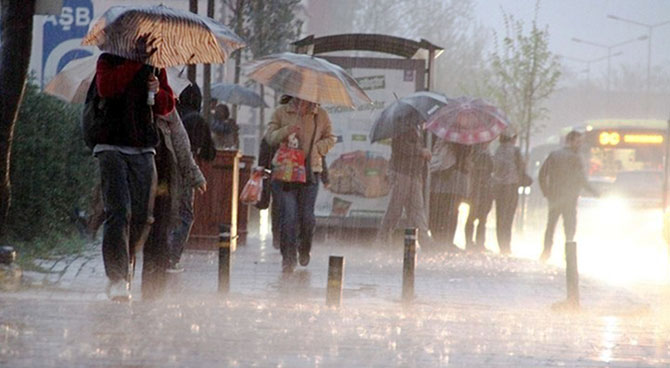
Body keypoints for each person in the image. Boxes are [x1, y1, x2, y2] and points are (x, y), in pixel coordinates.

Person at [93, 45, 175, 301]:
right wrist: (134, 64)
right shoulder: (107, 60)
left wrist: (157, 90)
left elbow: (166, 107)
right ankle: (117, 276)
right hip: (111, 145)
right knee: (118, 212)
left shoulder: (156, 67)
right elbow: (107, 88)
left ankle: (125, 259)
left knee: (142, 216)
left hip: (143, 147)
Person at [264, 96, 336, 273]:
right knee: (288, 216)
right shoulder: (281, 112)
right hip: (285, 173)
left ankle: (304, 247)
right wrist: (286, 131)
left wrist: (318, 148)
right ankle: (288, 257)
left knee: (306, 217)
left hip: (310, 173)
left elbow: (331, 138)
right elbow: (270, 137)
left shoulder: (321, 115)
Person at [166, 85, 215, 273]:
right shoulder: (197, 120)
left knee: (166, 211)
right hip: (185, 169)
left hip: (163, 167)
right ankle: (172, 257)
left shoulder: (170, 114)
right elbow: (210, 153)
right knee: (185, 214)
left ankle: (160, 252)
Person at [538, 130, 598, 262]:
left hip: (555, 196)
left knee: (551, 225)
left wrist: (546, 192)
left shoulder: (554, 155)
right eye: (578, 142)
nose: (580, 145)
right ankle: (569, 255)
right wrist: (595, 192)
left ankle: (546, 252)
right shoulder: (575, 158)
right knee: (569, 227)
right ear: (570, 141)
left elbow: (542, 174)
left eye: (581, 142)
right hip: (570, 198)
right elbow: (581, 179)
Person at [377, 124, 432, 247]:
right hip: (402, 173)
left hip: (414, 174)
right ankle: (383, 238)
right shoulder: (402, 126)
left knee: (417, 210)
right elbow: (400, 147)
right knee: (395, 208)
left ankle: (426, 242)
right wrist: (420, 151)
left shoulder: (418, 128)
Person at [429, 141, 471, 253]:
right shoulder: (460, 140)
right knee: (450, 211)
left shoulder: (441, 137)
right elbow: (464, 156)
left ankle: (441, 239)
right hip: (452, 179)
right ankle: (444, 240)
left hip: (442, 177)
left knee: (442, 210)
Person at [491, 130, 523, 255]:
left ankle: (501, 245)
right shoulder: (516, 151)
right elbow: (521, 168)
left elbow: (494, 168)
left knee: (500, 216)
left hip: (499, 187)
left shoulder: (497, 151)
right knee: (509, 218)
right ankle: (506, 246)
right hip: (511, 186)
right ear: (512, 138)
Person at [464, 143, 494, 252]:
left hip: (480, 188)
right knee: (476, 216)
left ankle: (476, 242)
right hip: (478, 188)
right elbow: (490, 168)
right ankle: (474, 242)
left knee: (480, 216)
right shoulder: (477, 153)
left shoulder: (484, 153)